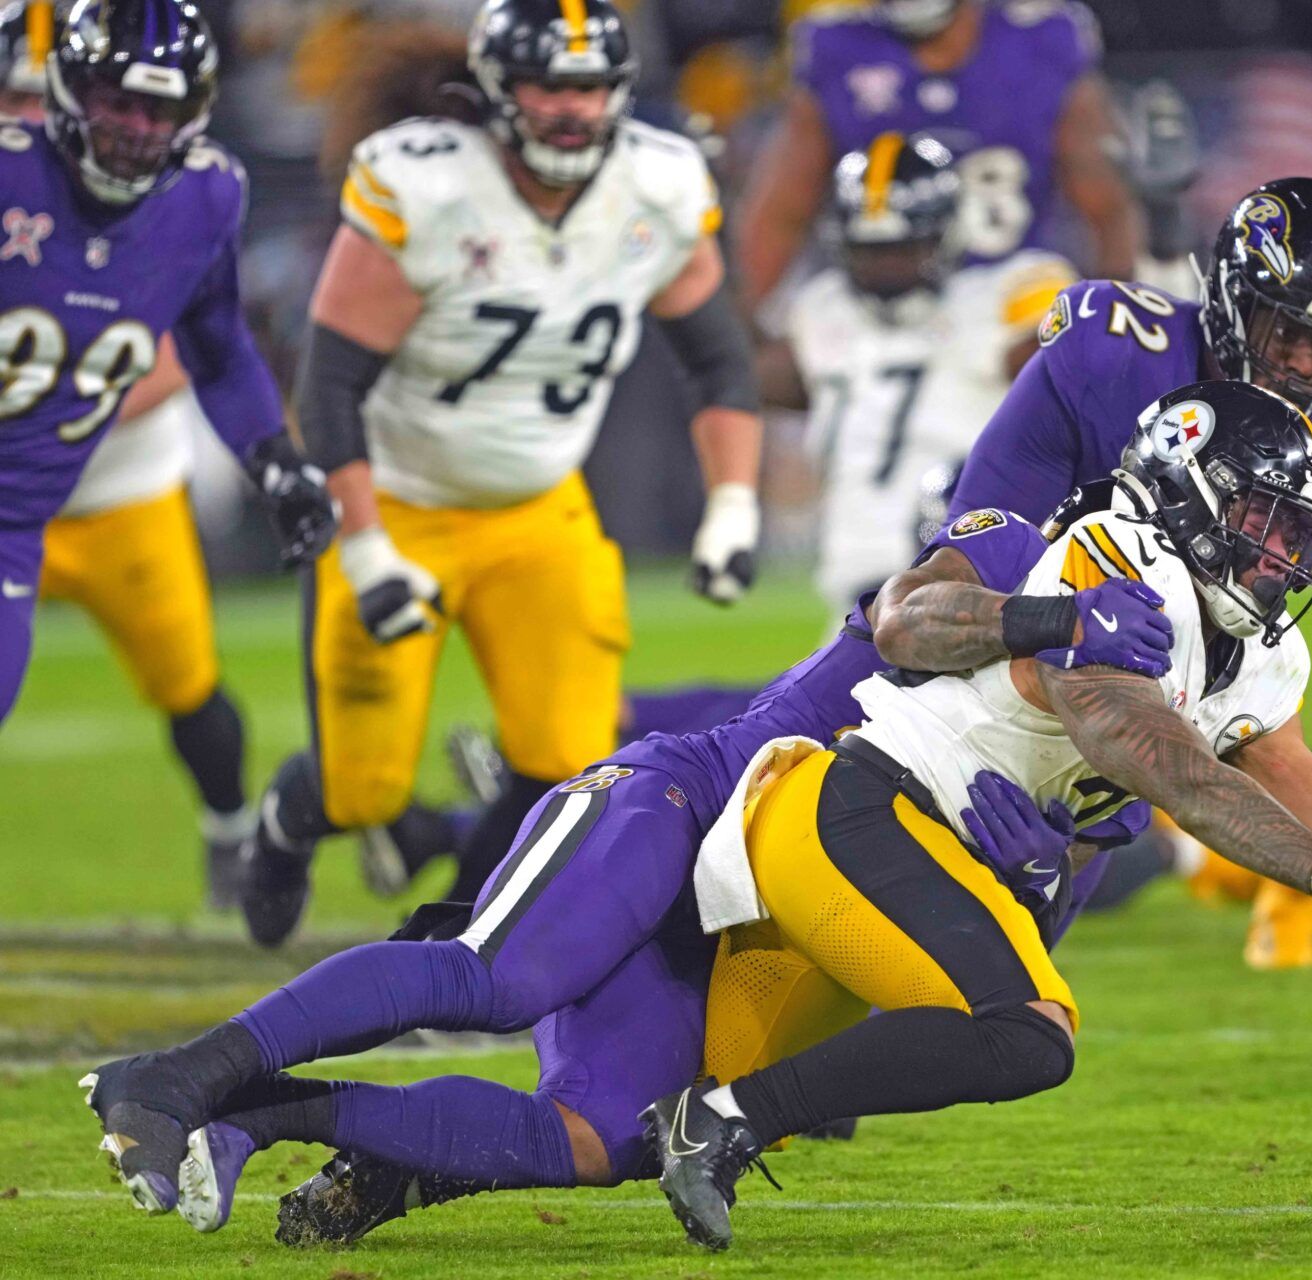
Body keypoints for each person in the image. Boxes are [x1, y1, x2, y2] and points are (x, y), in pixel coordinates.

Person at [649, 381, 1312, 1251]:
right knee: (1025, 1031)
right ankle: (721, 1113)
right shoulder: (1115, 569)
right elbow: (1163, 762)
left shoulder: (1261, 657)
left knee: (1005, 1035)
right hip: (855, 808)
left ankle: (726, 1109)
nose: (1281, 554)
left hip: (930, 847)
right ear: (1190, 493)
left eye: (1298, 533)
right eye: (1262, 518)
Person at [79, 508, 1175, 1233]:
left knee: (598, 1139)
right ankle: (174, 1075)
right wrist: (1059, 616)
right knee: (497, 977)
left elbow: (997, 970)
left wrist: (1034, 876)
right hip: (690, 802)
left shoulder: (1140, 733)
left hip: (747, 927)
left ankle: (265, 1112)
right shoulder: (1013, 553)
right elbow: (907, 616)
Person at [240, 0, 766, 948]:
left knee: (568, 760)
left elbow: (718, 359)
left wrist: (732, 504)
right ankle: (291, 815)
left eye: (591, 86)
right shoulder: (429, 185)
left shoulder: (658, 184)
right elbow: (330, 385)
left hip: (539, 510)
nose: (571, 108)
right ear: (496, 90)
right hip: (400, 502)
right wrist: (362, 549)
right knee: (365, 786)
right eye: (547, 85)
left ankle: (444, 946)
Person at [951, 179, 1312, 968]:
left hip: (1129, 766)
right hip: (999, 701)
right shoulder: (1112, 355)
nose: (1301, 366)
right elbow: (976, 551)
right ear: (1232, 303)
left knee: (993, 1003)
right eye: (1284, 332)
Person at [0, 0, 335, 729]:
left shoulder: (205, 193)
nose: (138, 129)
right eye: (119, 102)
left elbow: (217, 350)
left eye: (164, 108)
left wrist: (273, 457)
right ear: (69, 90)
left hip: (17, 514)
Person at [0, 0, 263, 907]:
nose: (29, 122)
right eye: (16, 99)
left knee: (187, 684)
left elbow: (189, 351)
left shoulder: (182, 193)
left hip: (120, 488)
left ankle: (232, 828)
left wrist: (66, 384)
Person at [766, 130, 1074, 610]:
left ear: (949, 231)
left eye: (902, 249)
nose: (887, 268)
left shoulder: (1002, 294)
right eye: (870, 251)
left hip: (968, 572)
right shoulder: (822, 308)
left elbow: (1078, 354)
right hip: (852, 577)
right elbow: (737, 376)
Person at [734, 0, 1140, 312]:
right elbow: (780, 216)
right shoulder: (838, 51)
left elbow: (1111, 208)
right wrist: (731, 336)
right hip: (883, 309)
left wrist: (1118, 314)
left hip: (1014, 303)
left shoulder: (1038, 42)